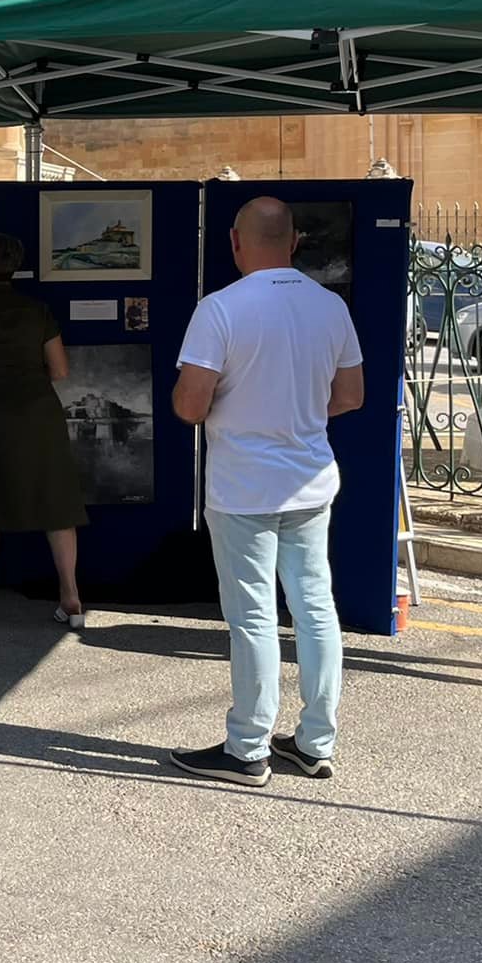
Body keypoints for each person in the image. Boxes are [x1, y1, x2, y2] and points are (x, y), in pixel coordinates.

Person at [169, 198, 364, 787]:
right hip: (310, 480)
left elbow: (190, 406)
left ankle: (247, 748)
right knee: (315, 607)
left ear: (235, 241)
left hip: (243, 488)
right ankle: (315, 742)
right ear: (295, 240)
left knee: (253, 616)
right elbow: (351, 396)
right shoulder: (330, 306)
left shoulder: (220, 308)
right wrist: (295, 415)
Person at [0, 233, 90, 623]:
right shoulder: (38, 312)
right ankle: (71, 596)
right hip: (41, 415)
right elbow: (60, 370)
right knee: (56, 504)